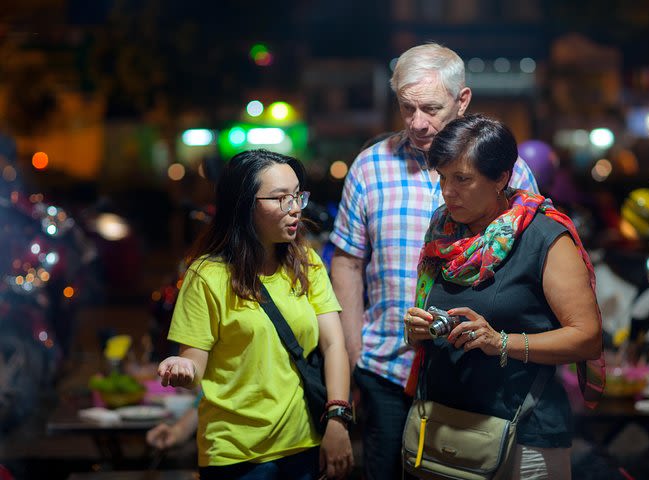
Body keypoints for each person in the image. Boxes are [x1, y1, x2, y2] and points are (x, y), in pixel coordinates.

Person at [329, 43, 539, 480]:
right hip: (386, 365)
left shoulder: (508, 172)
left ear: (462, 100)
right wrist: (352, 353)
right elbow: (348, 262)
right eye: (407, 108)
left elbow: (528, 266)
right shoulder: (370, 166)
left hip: (474, 367)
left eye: (430, 107)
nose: (418, 123)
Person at [403, 114, 604, 478]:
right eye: (443, 177)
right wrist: (419, 324)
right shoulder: (442, 229)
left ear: (501, 178)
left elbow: (588, 338)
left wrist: (502, 342)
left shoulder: (543, 236)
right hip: (446, 426)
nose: (448, 191)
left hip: (524, 432)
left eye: (462, 179)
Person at [157, 149, 354, 480]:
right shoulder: (207, 275)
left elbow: (334, 345)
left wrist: (337, 419)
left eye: (297, 196)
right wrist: (181, 367)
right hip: (234, 453)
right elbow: (195, 366)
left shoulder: (306, 264)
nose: (294, 210)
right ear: (244, 204)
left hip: (302, 443)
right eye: (280, 199)